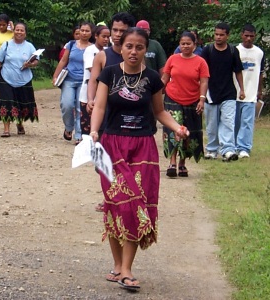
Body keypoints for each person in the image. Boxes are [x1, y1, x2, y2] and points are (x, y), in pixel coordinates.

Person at [89, 27, 189, 290]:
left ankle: (126, 268)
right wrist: (93, 131)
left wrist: (177, 128)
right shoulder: (109, 73)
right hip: (110, 145)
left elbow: (159, 111)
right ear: (120, 47)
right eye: (129, 46)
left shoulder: (154, 78)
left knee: (137, 203)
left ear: (147, 50)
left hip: (143, 147)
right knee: (116, 202)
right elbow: (99, 106)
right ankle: (117, 264)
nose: (133, 51)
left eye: (140, 47)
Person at [86, 12, 135, 213]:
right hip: (104, 112)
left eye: (122, 31)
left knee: (125, 157)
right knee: (102, 157)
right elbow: (93, 80)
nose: (116, 34)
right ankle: (109, 197)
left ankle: (125, 194)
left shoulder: (135, 55)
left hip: (127, 115)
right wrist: (91, 99)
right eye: (114, 30)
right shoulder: (103, 56)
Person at [161, 31, 209, 177]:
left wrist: (202, 99)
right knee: (173, 131)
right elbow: (164, 78)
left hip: (192, 100)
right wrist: (155, 92)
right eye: (183, 44)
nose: (185, 46)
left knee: (189, 132)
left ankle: (182, 163)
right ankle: (172, 162)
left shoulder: (201, 62)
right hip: (172, 99)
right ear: (179, 45)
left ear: (195, 45)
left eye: (189, 43)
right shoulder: (172, 59)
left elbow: (204, 81)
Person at [201, 22, 245, 161]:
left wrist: (242, 89)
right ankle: (212, 150)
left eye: (221, 35)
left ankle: (228, 150)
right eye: (216, 34)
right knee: (212, 124)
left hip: (229, 93)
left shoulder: (233, 51)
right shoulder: (207, 50)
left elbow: (238, 71)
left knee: (228, 122)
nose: (218, 37)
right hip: (211, 93)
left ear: (228, 35)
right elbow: (201, 73)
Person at [53, 22, 93, 144]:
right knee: (67, 105)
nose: (84, 33)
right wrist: (55, 76)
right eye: (82, 30)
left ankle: (79, 135)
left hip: (84, 81)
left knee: (80, 108)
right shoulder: (71, 45)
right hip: (69, 79)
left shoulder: (93, 48)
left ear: (91, 33)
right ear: (78, 31)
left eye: (87, 31)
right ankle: (69, 128)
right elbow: (63, 60)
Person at [0, 22, 39, 137]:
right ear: (13, 31)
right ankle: (6, 129)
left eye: (22, 30)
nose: (19, 32)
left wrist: (30, 64)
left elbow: (36, 61)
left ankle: (19, 124)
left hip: (24, 79)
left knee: (21, 102)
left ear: (25, 33)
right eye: (17, 30)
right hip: (7, 78)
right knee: (6, 102)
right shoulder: (6, 45)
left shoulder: (29, 46)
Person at [234, 24, 265, 158]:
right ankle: (233, 145)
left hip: (251, 93)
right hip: (234, 92)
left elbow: (260, 73)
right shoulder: (235, 50)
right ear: (242, 35)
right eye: (246, 35)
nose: (248, 39)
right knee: (234, 122)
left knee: (247, 122)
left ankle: (244, 148)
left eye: (251, 36)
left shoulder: (259, 53)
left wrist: (259, 91)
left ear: (255, 37)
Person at [79, 25, 110, 135]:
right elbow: (93, 70)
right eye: (103, 36)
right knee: (87, 124)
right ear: (96, 36)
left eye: (108, 37)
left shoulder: (108, 51)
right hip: (89, 89)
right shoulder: (90, 50)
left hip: (104, 90)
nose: (106, 39)